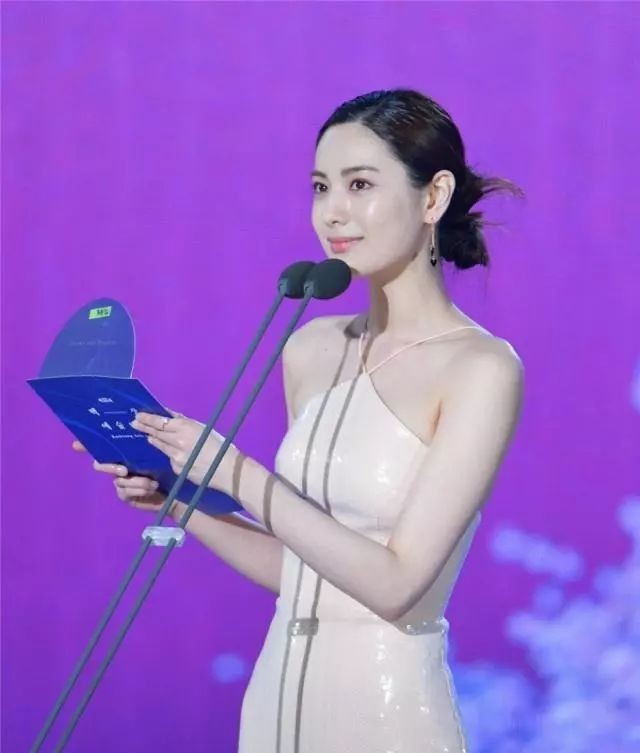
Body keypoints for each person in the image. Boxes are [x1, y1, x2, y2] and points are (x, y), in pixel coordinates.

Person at [75, 89, 524, 752]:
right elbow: (303, 569)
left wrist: (234, 470)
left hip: (388, 711)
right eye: (320, 187)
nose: (332, 211)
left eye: (359, 184)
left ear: (433, 196)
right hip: (277, 699)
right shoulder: (310, 347)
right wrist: (178, 495)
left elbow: (397, 586)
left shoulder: (481, 368)